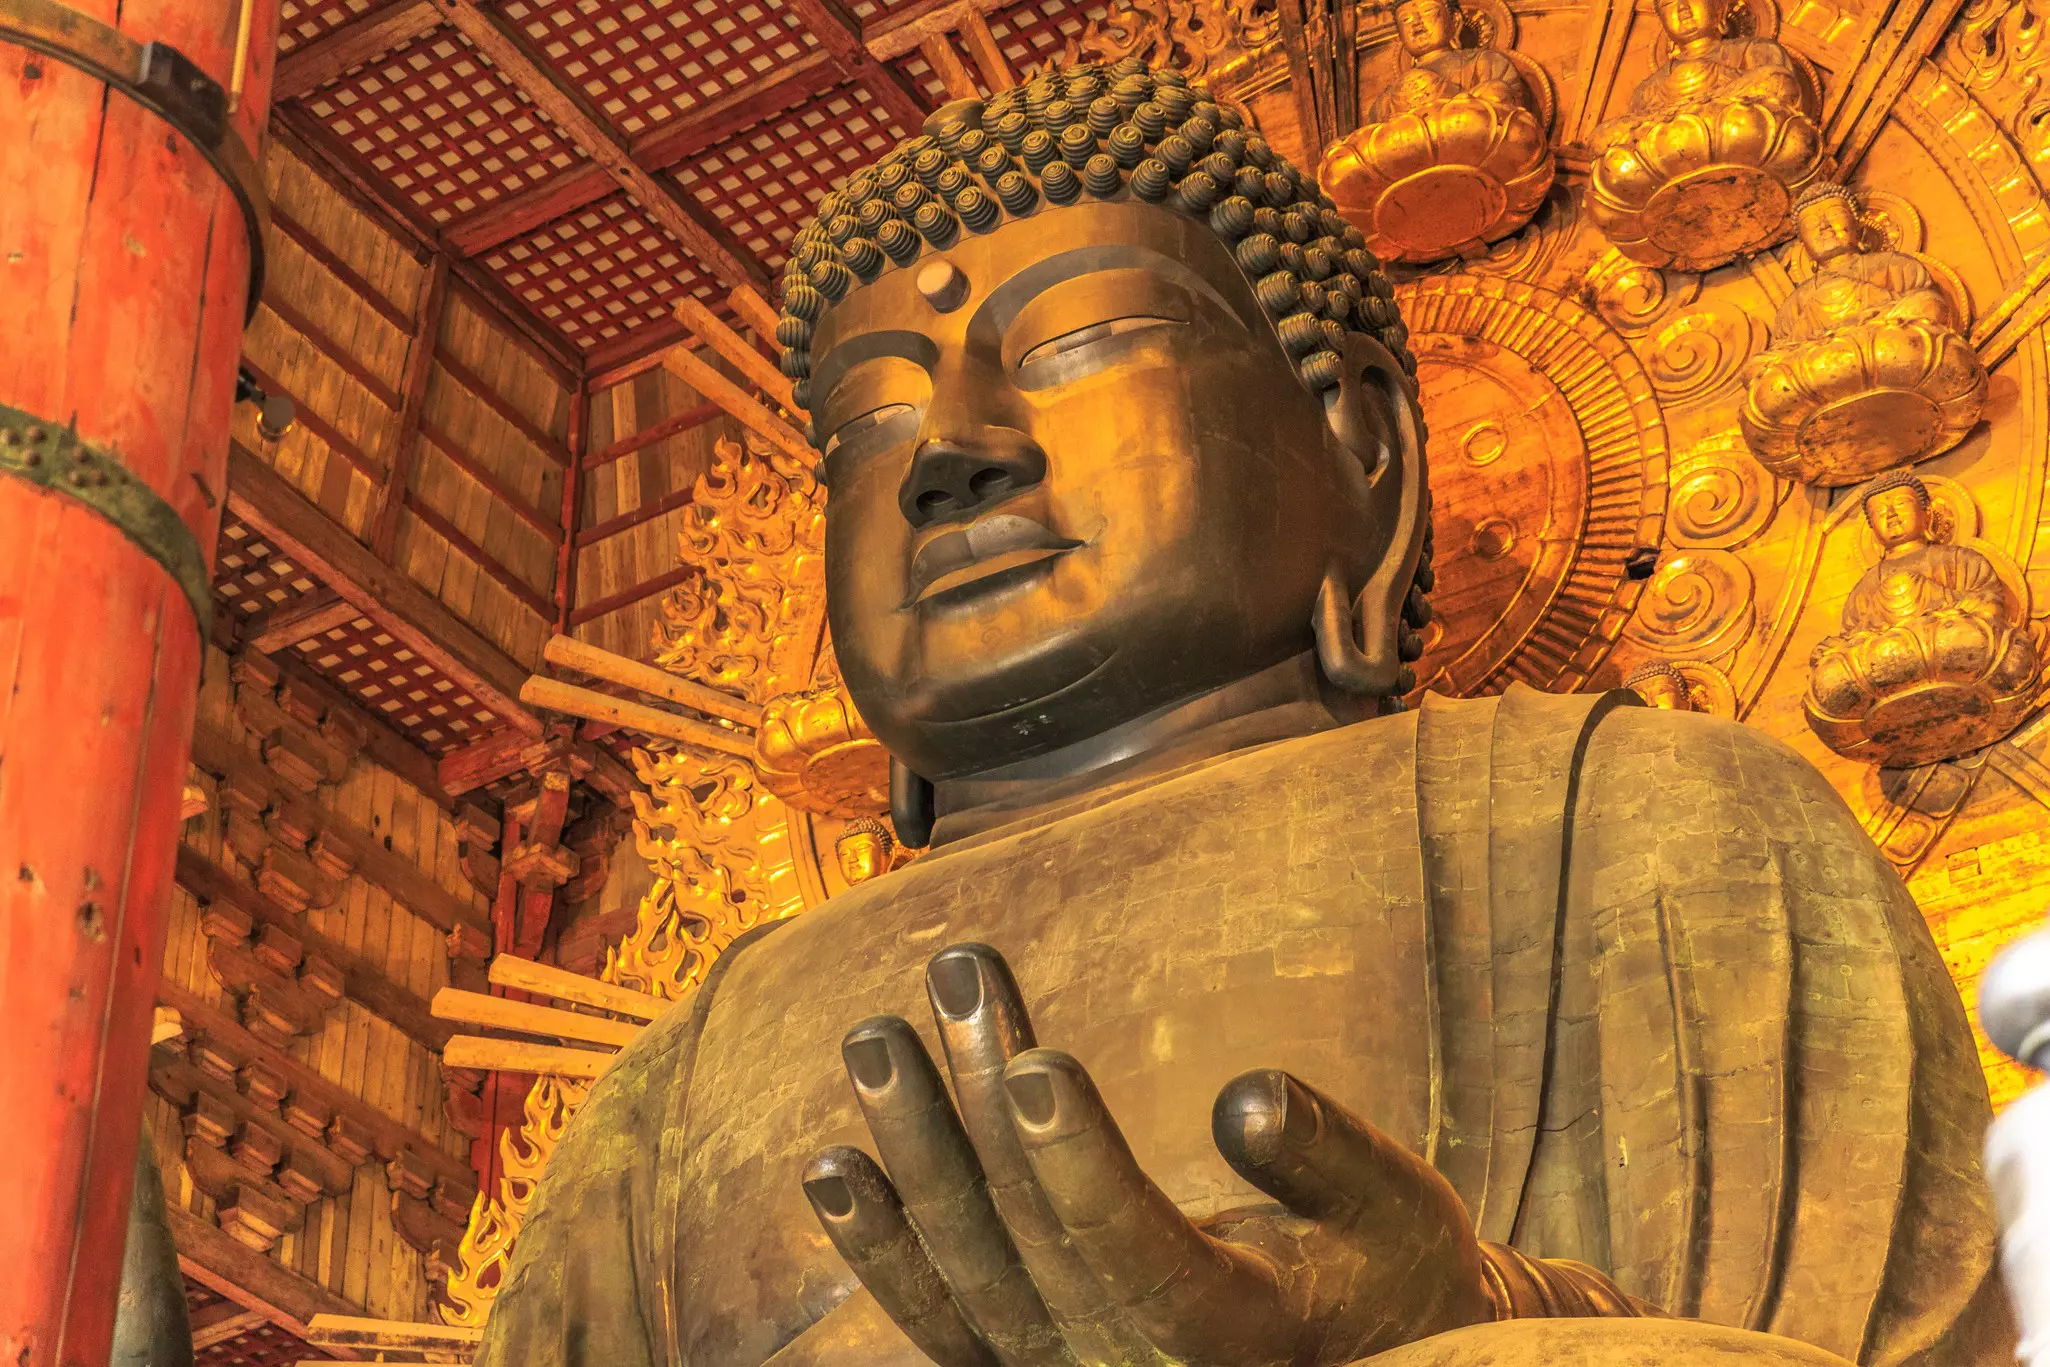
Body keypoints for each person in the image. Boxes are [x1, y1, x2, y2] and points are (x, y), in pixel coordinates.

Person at [475, 59, 2011, 1367]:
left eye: (1073, 342)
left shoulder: (1645, 817)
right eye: (869, 422)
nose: (947, 455)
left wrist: (1475, 1311)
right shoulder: (675, 1084)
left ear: (1360, 449)